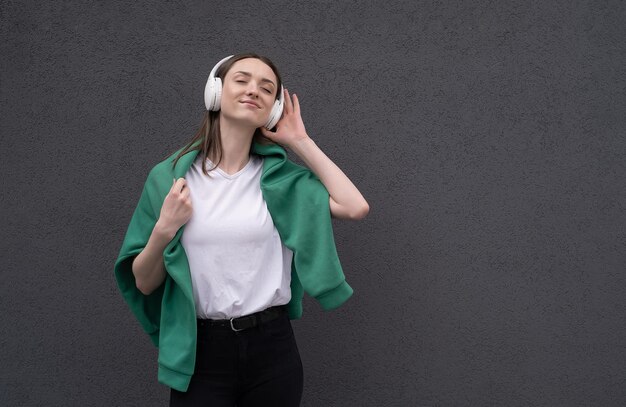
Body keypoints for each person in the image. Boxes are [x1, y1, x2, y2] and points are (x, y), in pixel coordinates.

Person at [114, 53, 369, 407]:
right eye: (242, 80)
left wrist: (299, 142)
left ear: (274, 109)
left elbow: (354, 206)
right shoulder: (170, 178)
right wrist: (164, 228)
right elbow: (143, 281)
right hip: (202, 352)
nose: (254, 91)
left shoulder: (283, 182)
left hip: (273, 349)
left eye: (267, 88)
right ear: (215, 92)